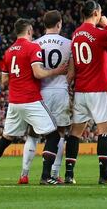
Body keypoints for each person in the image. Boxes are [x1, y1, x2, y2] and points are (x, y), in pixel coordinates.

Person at [0, 19, 67, 185]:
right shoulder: (32, 47)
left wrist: (18, 78)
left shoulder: (9, 52)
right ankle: (46, 176)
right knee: (53, 135)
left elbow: (3, 81)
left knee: (5, 139)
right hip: (30, 99)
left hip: (14, 102)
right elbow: (38, 73)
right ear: (29, 30)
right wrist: (57, 71)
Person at [67, 0, 107, 185]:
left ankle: (70, 174)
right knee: (105, 131)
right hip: (99, 88)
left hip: (81, 90)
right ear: (96, 13)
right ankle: (104, 174)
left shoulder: (76, 33)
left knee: (75, 132)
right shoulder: (100, 33)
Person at [20, 11, 72, 184]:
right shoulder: (68, 44)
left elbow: (31, 73)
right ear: (59, 24)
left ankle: (24, 174)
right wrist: (66, 84)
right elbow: (71, 72)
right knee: (60, 133)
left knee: (33, 134)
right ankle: (54, 173)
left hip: (40, 93)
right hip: (60, 91)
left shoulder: (35, 44)